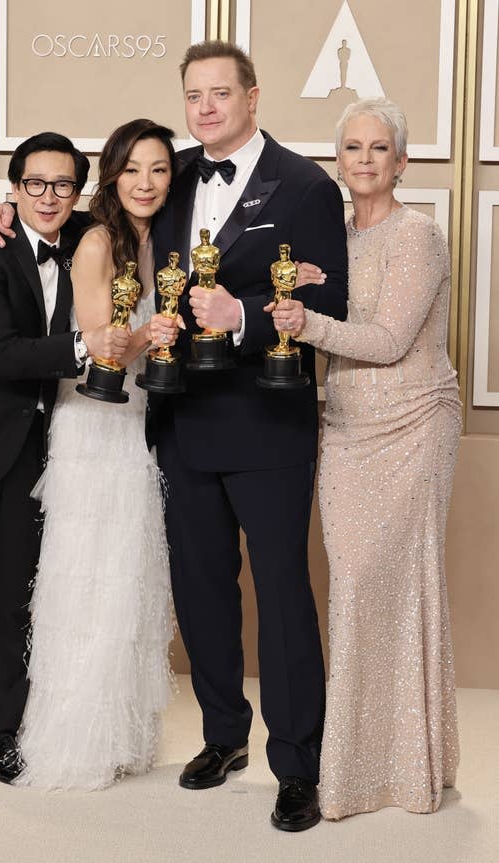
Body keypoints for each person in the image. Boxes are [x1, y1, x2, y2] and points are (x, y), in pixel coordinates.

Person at [0, 40, 348, 830]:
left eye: (221, 92)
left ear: (254, 95)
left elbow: (333, 307)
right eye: (194, 94)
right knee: (203, 589)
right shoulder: (170, 173)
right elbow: (94, 215)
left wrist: (245, 317)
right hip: (175, 423)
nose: (206, 107)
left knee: (281, 595)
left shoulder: (309, 185)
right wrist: (7, 209)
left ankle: (298, 766)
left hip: (267, 423)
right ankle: (223, 738)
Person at [0, 131, 128, 794]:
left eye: (63, 184)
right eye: (34, 183)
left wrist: (85, 209)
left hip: (31, 458)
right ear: (12, 188)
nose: (48, 196)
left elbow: (115, 211)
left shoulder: (81, 237)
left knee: (13, 600)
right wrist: (84, 343)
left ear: (77, 192)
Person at [268, 98, 461, 819]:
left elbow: (387, 340)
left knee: (402, 590)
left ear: (401, 161)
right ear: (340, 161)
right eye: (352, 147)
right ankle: (351, 766)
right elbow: (342, 324)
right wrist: (312, 292)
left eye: (380, 148)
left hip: (412, 428)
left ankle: (408, 768)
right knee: (351, 587)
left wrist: (308, 319)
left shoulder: (420, 238)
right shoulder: (334, 241)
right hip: (346, 426)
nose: (365, 159)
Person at [14, 118, 178, 791]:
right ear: (111, 175)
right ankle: (76, 735)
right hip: (93, 424)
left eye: (159, 169)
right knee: (87, 579)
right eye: (132, 168)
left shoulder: (167, 240)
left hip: (143, 425)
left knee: (130, 575)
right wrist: (151, 334)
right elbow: (97, 343)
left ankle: (124, 731)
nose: (145, 182)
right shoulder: (95, 240)